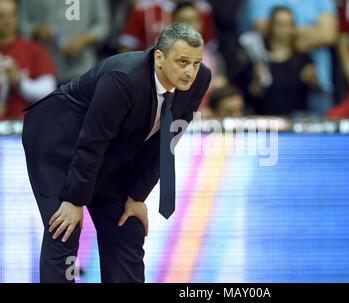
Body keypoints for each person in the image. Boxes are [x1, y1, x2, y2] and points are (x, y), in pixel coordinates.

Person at [21, 23, 211, 283]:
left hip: (106, 150)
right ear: (159, 57)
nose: (190, 71)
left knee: (127, 226)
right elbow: (93, 140)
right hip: (57, 143)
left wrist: (136, 196)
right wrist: (74, 199)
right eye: (182, 62)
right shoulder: (124, 77)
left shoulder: (199, 81)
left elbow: (166, 142)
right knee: (64, 229)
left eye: (196, 62)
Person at [241, 7, 318, 116]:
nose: (284, 29)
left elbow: (314, 92)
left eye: (288, 25)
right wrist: (257, 82)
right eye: (280, 24)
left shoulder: (303, 59)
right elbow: (249, 96)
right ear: (271, 26)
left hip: (296, 122)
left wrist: (313, 80)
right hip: (265, 122)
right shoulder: (257, 58)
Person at [18, 0, 110, 85]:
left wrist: (83, 40)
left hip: (81, 69)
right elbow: (21, 25)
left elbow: (103, 25)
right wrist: (37, 30)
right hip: (42, 74)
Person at [0, 0, 56, 121]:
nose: (6, 21)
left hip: (24, 128)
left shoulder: (35, 50)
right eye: (1, 16)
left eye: (11, 15)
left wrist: (20, 82)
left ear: (17, 17)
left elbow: (49, 90)